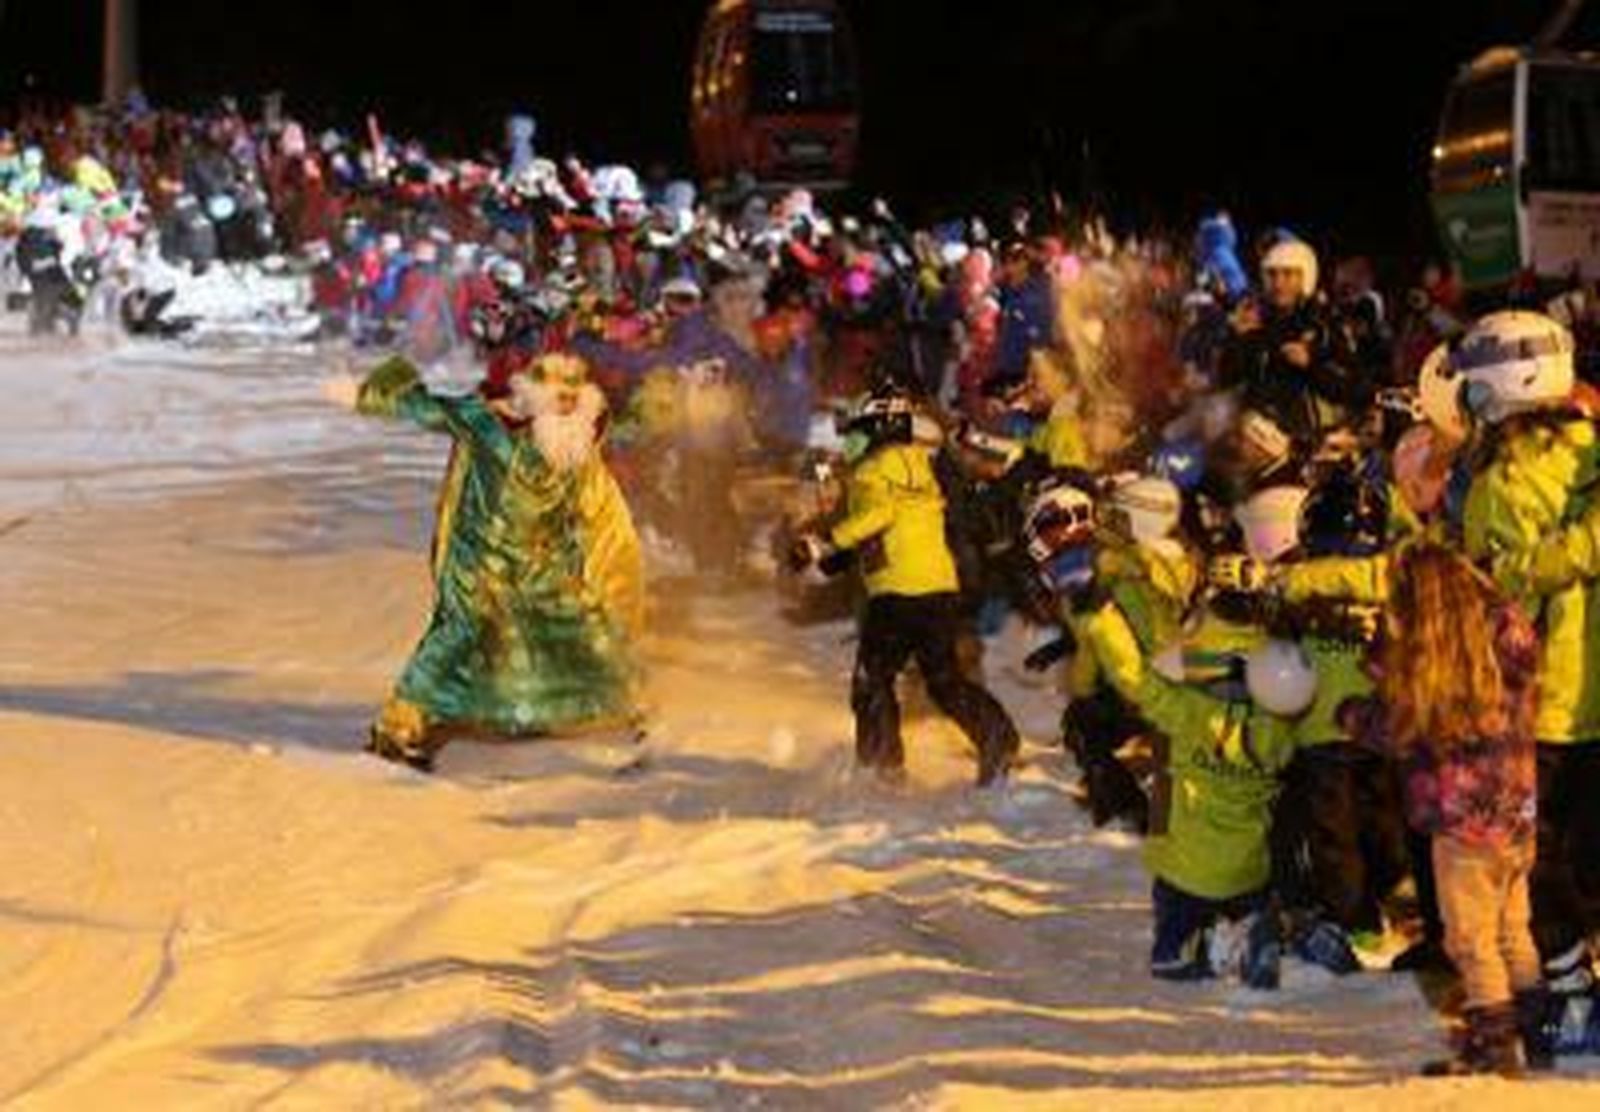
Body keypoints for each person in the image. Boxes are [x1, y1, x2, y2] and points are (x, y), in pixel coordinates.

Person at [324, 352, 642, 771]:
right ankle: (397, 733)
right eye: (558, 397)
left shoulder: (580, 440)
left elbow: (593, 503)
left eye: (573, 397)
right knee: (455, 640)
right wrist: (365, 396)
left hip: (539, 563)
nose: (566, 405)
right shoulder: (486, 422)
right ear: (534, 397)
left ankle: (611, 716)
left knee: (582, 627)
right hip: (478, 561)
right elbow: (427, 408)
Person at [1459, 311, 1600, 1034]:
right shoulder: (1589, 452)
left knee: (1545, 867)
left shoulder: (1503, 483)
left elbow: (1499, 595)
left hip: (1545, 705)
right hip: (1590, 696)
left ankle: (1573, 999)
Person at [1371, 543, 1546, 1075]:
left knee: (1470, 940)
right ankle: (1537, 1026)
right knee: (1514, 929)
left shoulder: (1437, 660)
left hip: (1464, 825)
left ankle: (1493, 1044)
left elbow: (1403, 730)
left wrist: (1355, 714)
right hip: (1516, 816)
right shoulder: (1505, 636)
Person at [791, 389, 1021, 786]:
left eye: (859, 432)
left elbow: (875, 516)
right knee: (944, 679)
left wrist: (822, 543)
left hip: (897, 592)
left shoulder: (872, 470)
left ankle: (882, 763)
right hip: (938, 588)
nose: (852, 441)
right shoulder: (924, 464)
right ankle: (996, 736)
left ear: (880, 429)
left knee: (873, 677)